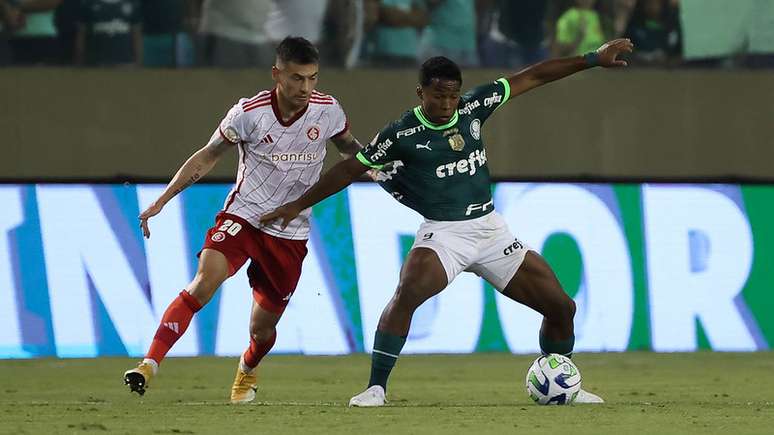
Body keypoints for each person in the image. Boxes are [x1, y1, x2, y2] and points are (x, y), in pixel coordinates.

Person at [261, 38, 635, 407]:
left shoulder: (475, 106)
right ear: (420, 92)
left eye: (452, 96)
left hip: (490, 230)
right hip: (444, 234)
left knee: (562, 308)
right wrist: (296, 205)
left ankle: (562, 382)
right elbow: (348, 169)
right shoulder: (401, 134)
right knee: (407, 293)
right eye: (437, 96)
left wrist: (591, 59)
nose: (445, 104)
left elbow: (534, 76)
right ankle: (376, 388)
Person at [123, 36, 365, 404]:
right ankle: (148, 364)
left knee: (262, 329)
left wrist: (378, 168)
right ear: (276, 74)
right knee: (204, 281)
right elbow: (208, 155)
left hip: (290, 232)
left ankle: (247, 369)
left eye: (312, 78)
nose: (304, 87)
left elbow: (348, 147)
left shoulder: (328, 110)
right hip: (244, 217)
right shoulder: (249, 113)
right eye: (296, 78)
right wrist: (163, 199)